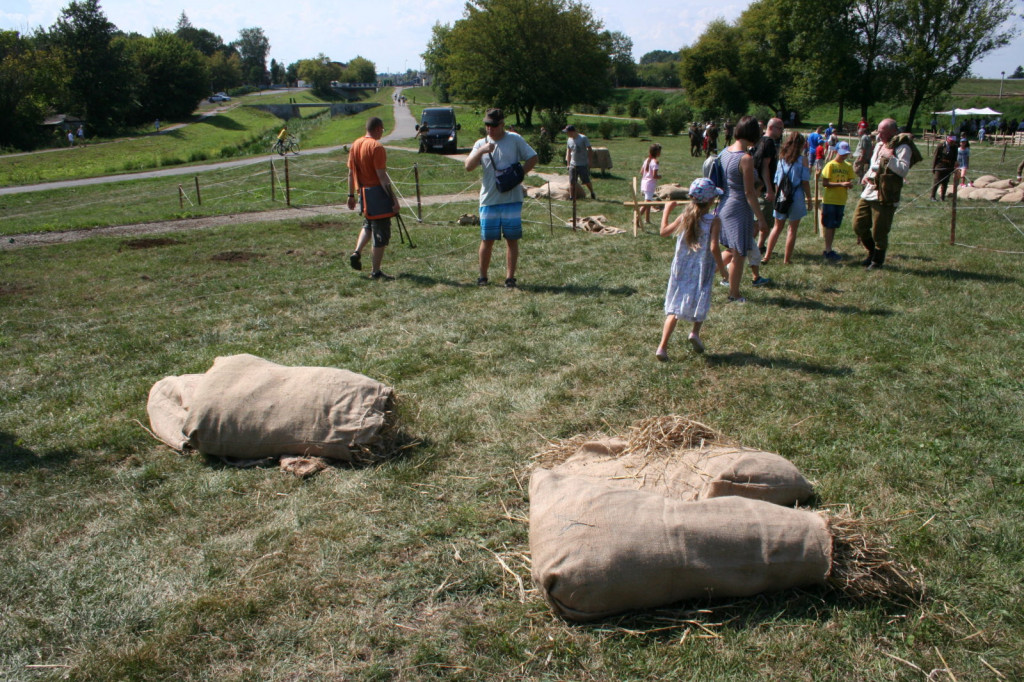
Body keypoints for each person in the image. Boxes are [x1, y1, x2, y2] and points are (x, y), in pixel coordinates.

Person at [465, 108, 538, 288]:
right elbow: (468, 166)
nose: (490, 128)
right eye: (487, 125)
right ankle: (483, 277)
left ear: (502, 124)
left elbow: (533, 157)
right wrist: (481, 150)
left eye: (494, 125)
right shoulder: (480, 143)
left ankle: (510, 278)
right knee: (487, 240)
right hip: (489, 200)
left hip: (512, 199)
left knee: (511, 240)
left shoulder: (514, 139)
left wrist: (520, 173)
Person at [655, 178, 727, 361]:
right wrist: (723, 269)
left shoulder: (685, 217)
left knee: (674, 308)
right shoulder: (714, 221)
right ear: (711, 200)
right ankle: (694, 332)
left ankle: (662, 347)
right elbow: (714, 248)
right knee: (701, 296)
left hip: (681, 269)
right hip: (702, 268)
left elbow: (663, 232)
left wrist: (667, 211)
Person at [716, 116, 768, 302]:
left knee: (731, 249)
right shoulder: (745, 158)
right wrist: (761, 219)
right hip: (738, 208)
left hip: (723, 204)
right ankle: (734, 294)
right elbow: (749, 192)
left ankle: (701, 275)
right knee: (739, 253)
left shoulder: (725, 152)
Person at [852, 118, 915, 270]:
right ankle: (872, 251)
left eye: (882, 131)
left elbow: (903, 170)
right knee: (858, 224)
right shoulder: (879, 144)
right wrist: (867, 175)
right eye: (879, 131)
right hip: (870, 190)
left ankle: (877, 261)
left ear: (893, 131)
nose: (879, 134)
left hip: (886, 192)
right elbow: (874, 164)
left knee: (879, 230)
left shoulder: (902, 147)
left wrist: (890, 157)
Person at [346, 116, 400, 280]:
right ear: (377, 129)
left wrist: (350, 195)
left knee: (368, 224)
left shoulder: (355, 144)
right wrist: (394, 200)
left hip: (363, 193)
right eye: (382, 130)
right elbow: (382, 177)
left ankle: (357, 251)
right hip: (377, 194)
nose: (382, 133)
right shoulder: (376, 147)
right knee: (381, 232)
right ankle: (376, 271)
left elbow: (350, 173)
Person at [763, 131, 812, 265]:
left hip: (782, 196)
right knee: (792, 229)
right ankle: (786, 259)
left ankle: (766, 256)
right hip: (796, 196)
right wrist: (809, 199)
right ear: (801, 145)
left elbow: (777, 182)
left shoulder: (781, 159)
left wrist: (778, 197)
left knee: (777, 227)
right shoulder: (803, 160)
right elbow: (805, 182)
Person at [819, 141, 855, 261]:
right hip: (830, 200)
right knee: (829, 225)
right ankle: (828, 250)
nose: (844, 156)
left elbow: (851, 181)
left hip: (841, 200)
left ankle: (829, 248)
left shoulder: (848, 166)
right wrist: (841, 184)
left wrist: (849, 185)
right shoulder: (830, 165)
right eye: (842, 153)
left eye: (846, 154)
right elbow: (825, 183)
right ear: (835, 152)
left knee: (834, 225)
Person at [753, 118, 784, 254]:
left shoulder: (760, 140)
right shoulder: (769, 143)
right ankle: (747, 247)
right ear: (771, 127)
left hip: (757, 187)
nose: (781, 132)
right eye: (780, 128)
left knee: (763, 221)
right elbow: (765, 166)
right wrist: (769, 188)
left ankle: (759, 247)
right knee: (761, 221)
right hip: (764, 189)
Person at [563, 125, 595, 200]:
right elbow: (568, 151)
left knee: (586, 181)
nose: (567, 134)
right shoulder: (569, 140)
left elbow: (590, 150)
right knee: (572, 182)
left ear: (572, 132)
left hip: (582, 163)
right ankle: (572, 197)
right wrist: (568, 163)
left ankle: (592, 192)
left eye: (567, 132)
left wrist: (590, 161)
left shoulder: (583, 138)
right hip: (573, 164)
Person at [639, 144, 662, 225]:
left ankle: (647, 219)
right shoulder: (655, 162)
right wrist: (659, 177)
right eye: (660, 151)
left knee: (648, 202)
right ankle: (636, 218)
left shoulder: (647, 160)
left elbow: (641, 172)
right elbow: (654, 176)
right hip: (650, 185)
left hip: (644, 183)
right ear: (657, 152)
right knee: (647, 203)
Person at [931, 135, 958, 201]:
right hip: (940, 166)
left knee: (945, 182)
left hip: (948, 167)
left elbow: (954, 158)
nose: (952, 143)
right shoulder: (940, 146)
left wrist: (953, 168)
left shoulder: (954, 147)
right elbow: (935, 157)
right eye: (951, 141)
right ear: (948, 139)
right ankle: (932, 197)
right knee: (937, 181)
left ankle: (942, 197)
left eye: (953, 141)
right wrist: (933, 168)